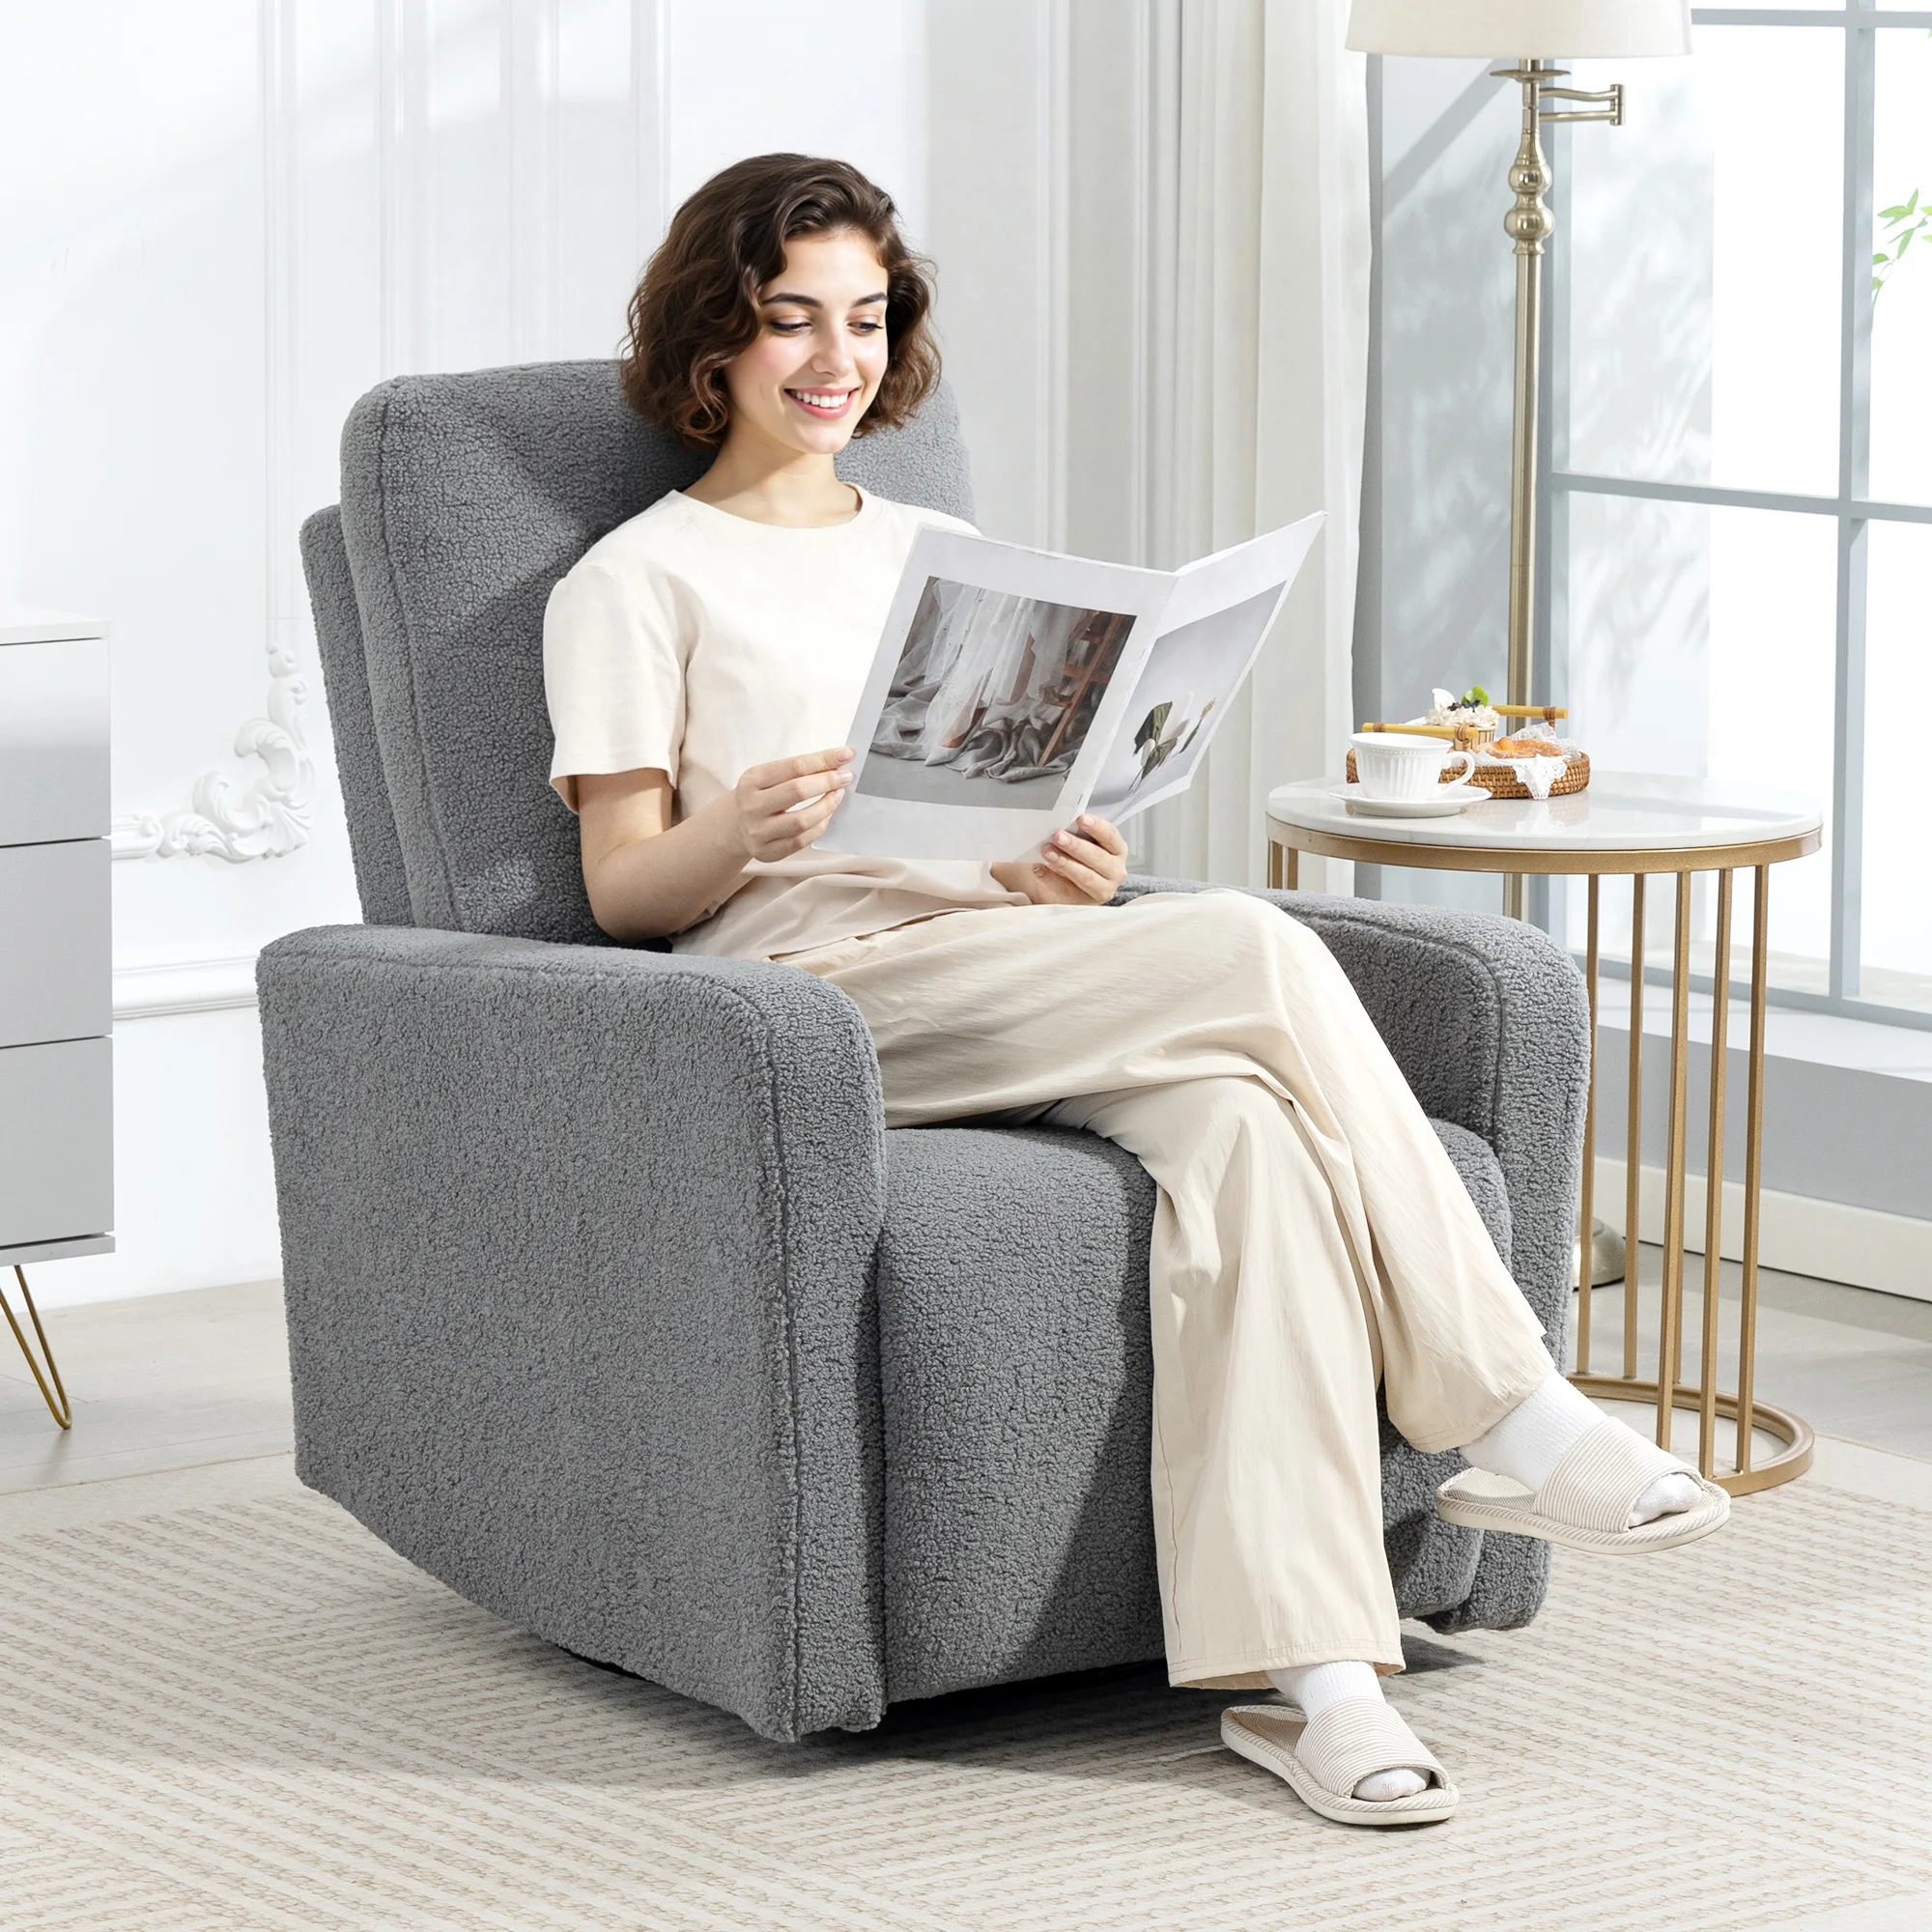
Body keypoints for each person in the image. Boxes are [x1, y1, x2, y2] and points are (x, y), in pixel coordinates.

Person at [542, 153, 1728, 1829]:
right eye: (792, 319)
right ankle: (1512, 1405)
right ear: (713, 339)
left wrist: (1061, 866)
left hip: (1009, 961)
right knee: (1251, 942)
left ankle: (1317, 1686)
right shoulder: (635, 579)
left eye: (866, 319)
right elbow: (620, 890)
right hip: (807, 1005)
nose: (836, 359)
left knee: (1251, 1134)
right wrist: (733, 827)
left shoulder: (944, 551)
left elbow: (992, 818)